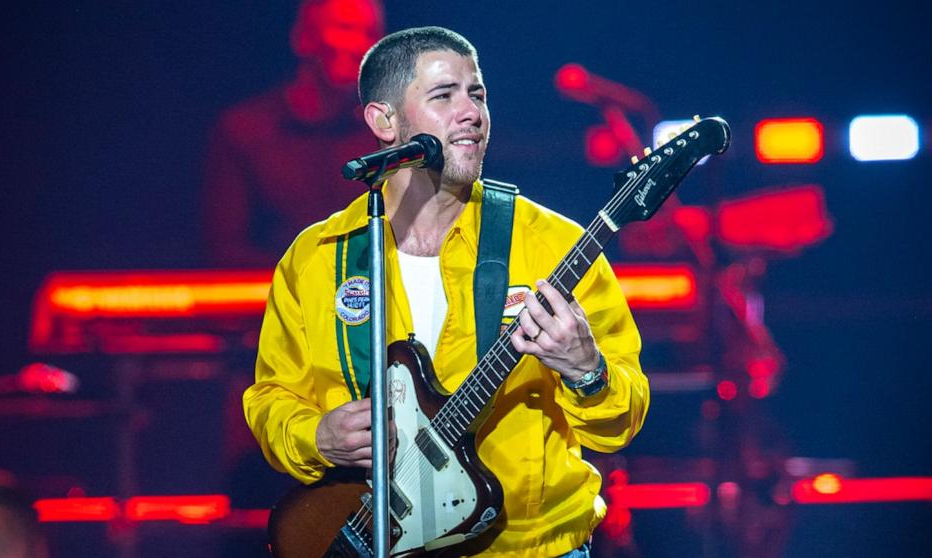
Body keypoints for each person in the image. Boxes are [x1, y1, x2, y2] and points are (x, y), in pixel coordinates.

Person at [243, 26, 650, 556]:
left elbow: (621, 423)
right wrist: (315, 436)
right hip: (376, 537)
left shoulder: (553, 243)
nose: (472, 113)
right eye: (444, 95)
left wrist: (586, 370)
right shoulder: (318, 257)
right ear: (383, 121)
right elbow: (272, 397)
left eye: (476, 93)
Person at [202, 0, 384, 267]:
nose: (357, 44)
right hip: (271, 301)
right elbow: (224, 251)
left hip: (366, 301)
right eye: (344, 28)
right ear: (304, 38)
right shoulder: (246, 130)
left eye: (369, 33)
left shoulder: (384, 135)